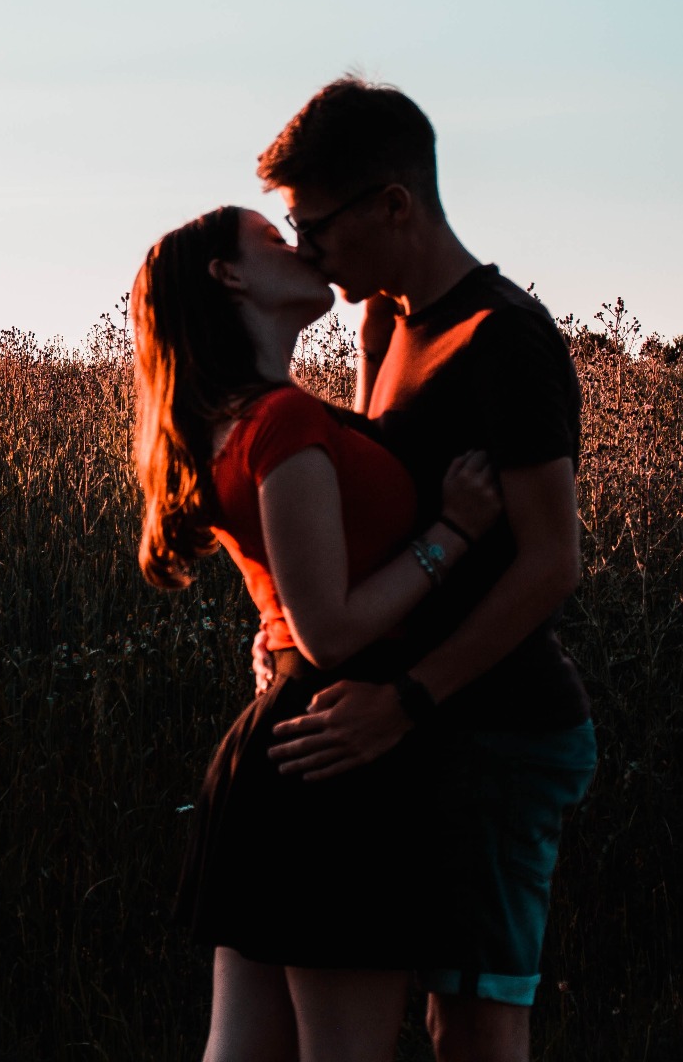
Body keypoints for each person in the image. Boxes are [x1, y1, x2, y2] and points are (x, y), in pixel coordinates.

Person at [255, 78, 597, 1062]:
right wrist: (288, 622)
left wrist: (404, 701)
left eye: (314, 227)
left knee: (473, 1029)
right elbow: (377, 521)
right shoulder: (380, 327)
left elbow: (549, 563)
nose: (306, 252)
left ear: (395, 205)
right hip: (419, 725)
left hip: (500, 730)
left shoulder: (506, 341)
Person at [130, 205, 503, 1062]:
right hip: (335, 754)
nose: (297, 246)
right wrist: (456, 532)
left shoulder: (248, 419)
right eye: (272, 240)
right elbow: (332, 628)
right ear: (229, 277)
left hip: (281, 751)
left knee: (242, 1051)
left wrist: (376, 336)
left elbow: (305, 582)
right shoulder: (281, 425)